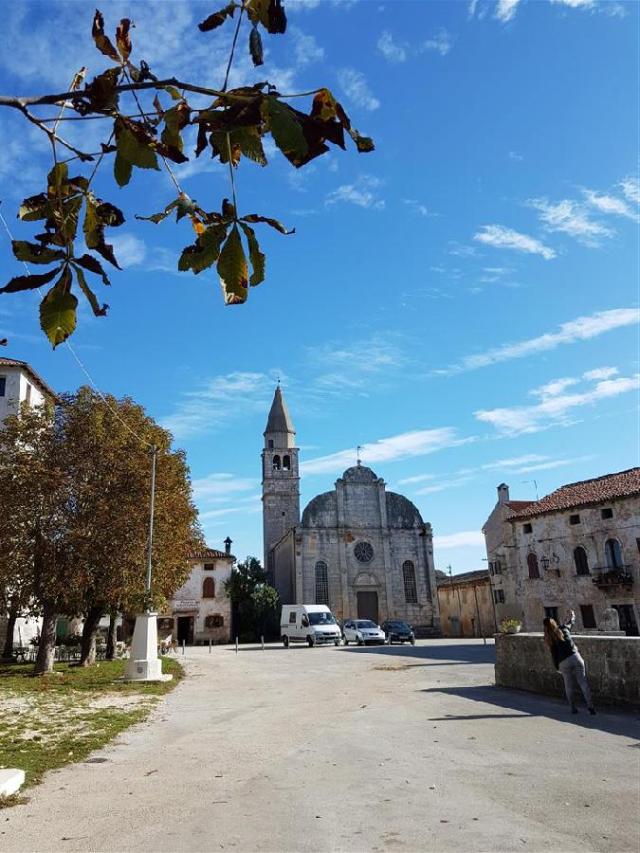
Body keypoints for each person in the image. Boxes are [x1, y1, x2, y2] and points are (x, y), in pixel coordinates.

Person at [543, 610, 596, 715]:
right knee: (583, 683)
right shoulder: (563, 628)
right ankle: (591, 707)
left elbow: (554, 654)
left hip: (563, 662)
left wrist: (557, 666)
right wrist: (572, 615)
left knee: (568, 686)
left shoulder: (549, 638)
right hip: (575, 657)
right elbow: (570, 622)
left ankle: (573, 708)